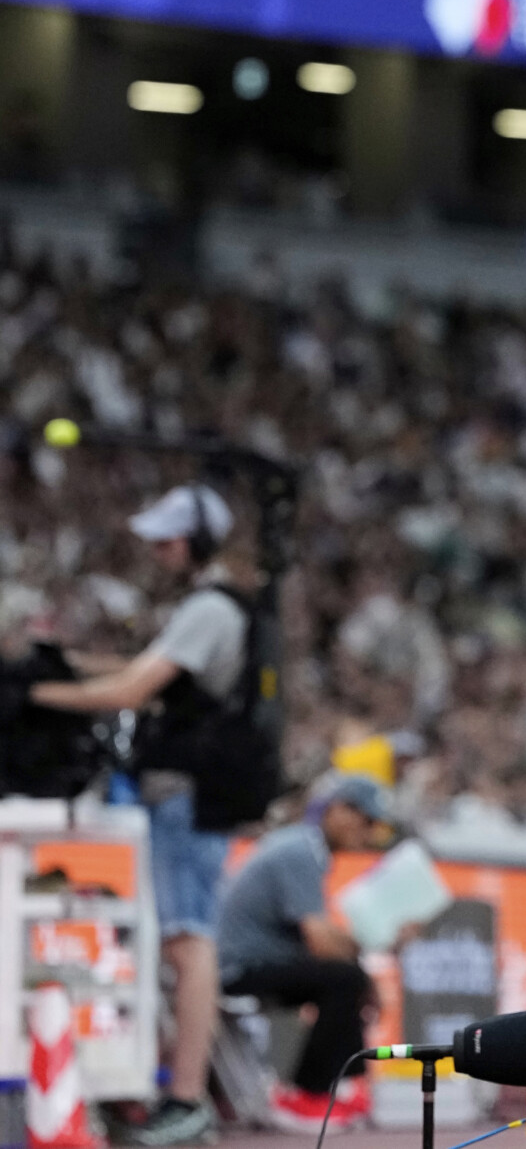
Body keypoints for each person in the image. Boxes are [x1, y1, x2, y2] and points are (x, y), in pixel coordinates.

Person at [32, 486, 265, 1149]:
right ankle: (181, 1092)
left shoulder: (212, 607)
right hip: (188, 790)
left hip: (190, 792)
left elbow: (133, 689)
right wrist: (65, 664)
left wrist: (38, 691)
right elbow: (141, 671)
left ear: (197, 543)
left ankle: (186, 1098)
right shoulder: (210, 606)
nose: (158, 553)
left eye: (167, 540)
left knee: (189, 942)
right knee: (181, 942)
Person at [215, 775, 398, 1124]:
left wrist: (368, 958)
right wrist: (369, 964)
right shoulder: (302, 851)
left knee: (349, 976)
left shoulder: (305, 848)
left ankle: (347, 1085)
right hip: (237, 966)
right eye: (367, 821)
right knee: (346, 978)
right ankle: (307, 1093)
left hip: (251, 960)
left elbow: (328, 938)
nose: (370, 833)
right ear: (339, 810)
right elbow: (322, 941)